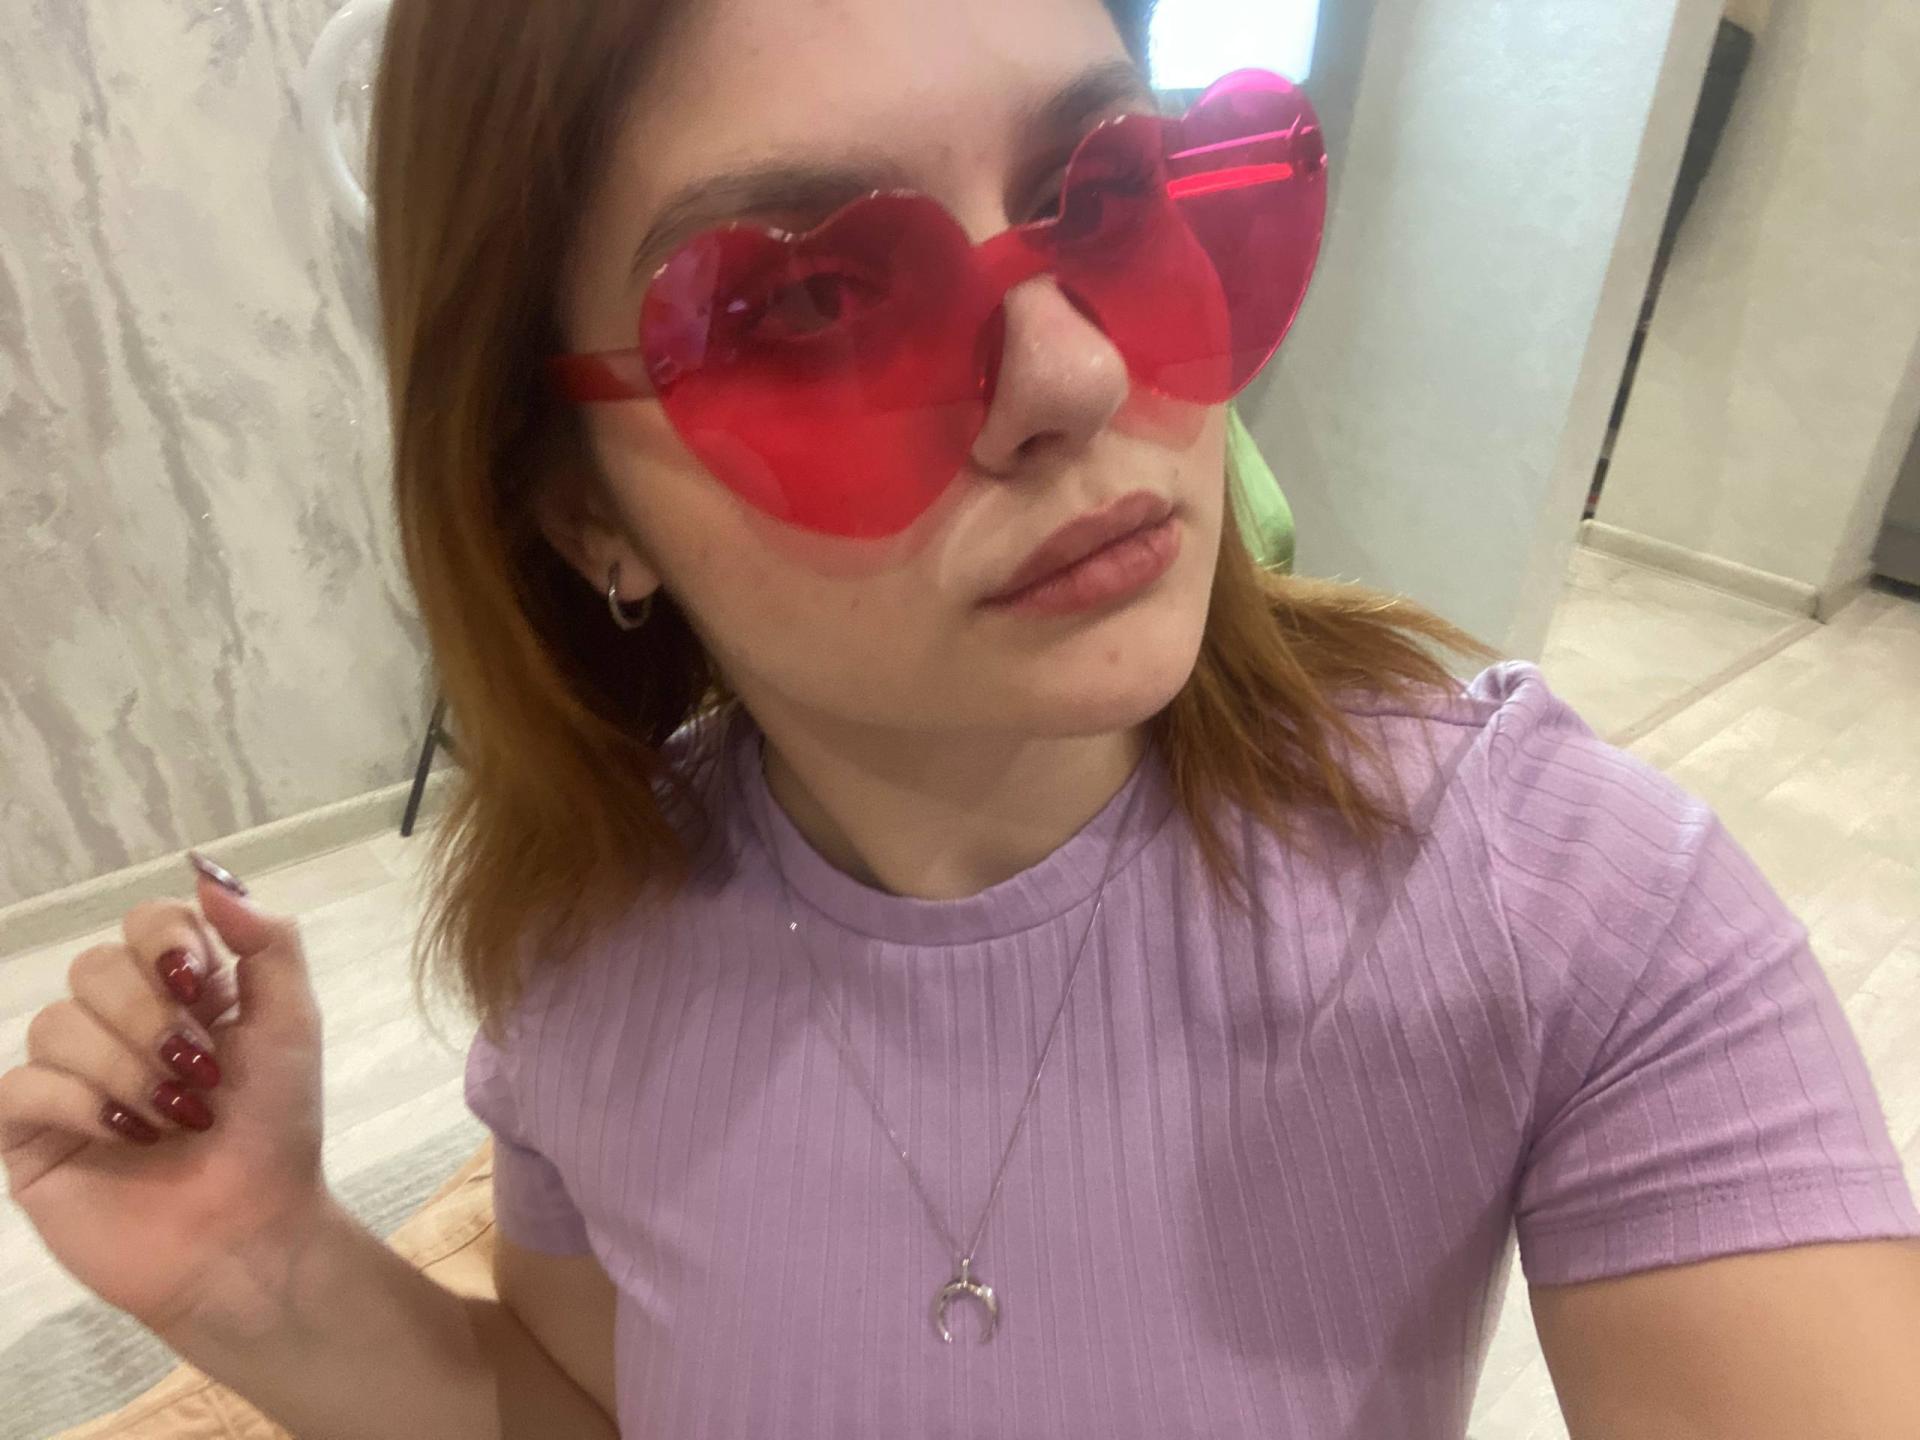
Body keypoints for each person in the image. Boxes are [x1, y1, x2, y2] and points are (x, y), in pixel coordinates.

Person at [4, 0, 1917, 1435]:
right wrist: (262, 1275)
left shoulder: (1568, 903)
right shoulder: (588, 941)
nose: (1070, 375)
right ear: (581, 505)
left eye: (1107, 195)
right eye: (812, 305)